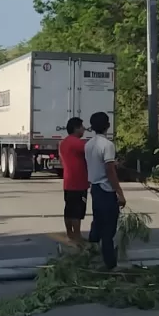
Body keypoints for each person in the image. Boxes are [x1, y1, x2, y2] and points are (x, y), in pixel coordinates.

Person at [84, 112, 125, 269]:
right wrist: (119, 193)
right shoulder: (107, 145)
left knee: (98, 222)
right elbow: (109, 170)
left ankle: (90, 258)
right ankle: (110, 265)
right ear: (107, 125)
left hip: (95, 188)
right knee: (108, 229)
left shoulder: (88, 145)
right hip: (106, 189)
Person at [59, 117, 89, 242]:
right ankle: (77, 235)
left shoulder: (63, 142)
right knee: (77, 211)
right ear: (76, 128)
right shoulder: (77, 143)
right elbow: (91, 150)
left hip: (68, 182)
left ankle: (70, 233)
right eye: (82, 127)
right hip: (79, 183)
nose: (84, 129)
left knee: (69, 209)